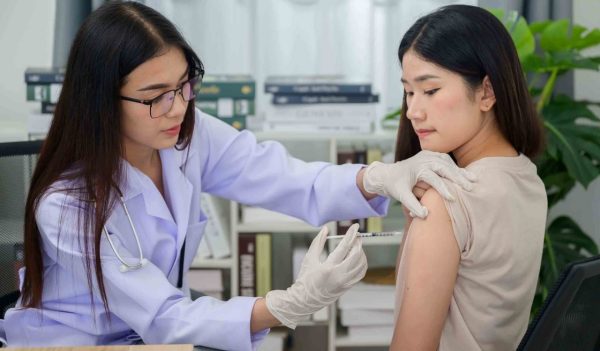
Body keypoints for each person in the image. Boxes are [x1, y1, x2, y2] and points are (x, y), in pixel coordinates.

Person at [0, 2, 475, 350]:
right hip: (71, 345)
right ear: (103, 100)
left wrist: (377, 178)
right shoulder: (66, 204)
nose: (179, 106)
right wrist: (289, 303)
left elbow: (286, 178)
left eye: (185, 84)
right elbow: (164, 315)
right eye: (156, 95)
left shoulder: (187, 134)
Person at [380, 4, 547, 351]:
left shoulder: (447, 199)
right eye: (409, 92)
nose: (412, 111)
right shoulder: (528, 178)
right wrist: (414, 214)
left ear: (486, 92)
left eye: (430, 90)